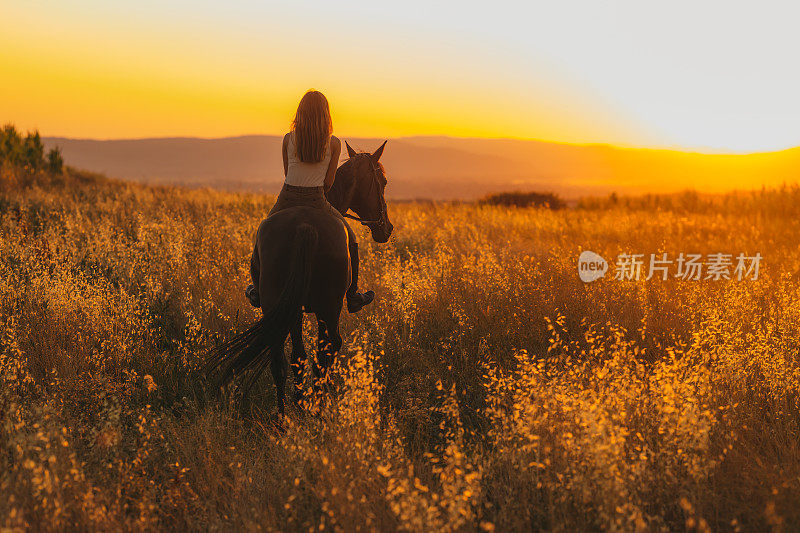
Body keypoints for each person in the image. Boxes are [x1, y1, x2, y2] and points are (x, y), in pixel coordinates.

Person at [245, 90, 375, 313]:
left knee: (263, 231)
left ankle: (257, 290)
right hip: (317, 199)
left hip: (287, 198)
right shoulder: (333, 143)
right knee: (350, 238)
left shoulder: (288, 139)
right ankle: (352, 295)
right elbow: (328, 183)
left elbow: (287, 173)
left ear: (300, 113)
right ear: (326, 115)